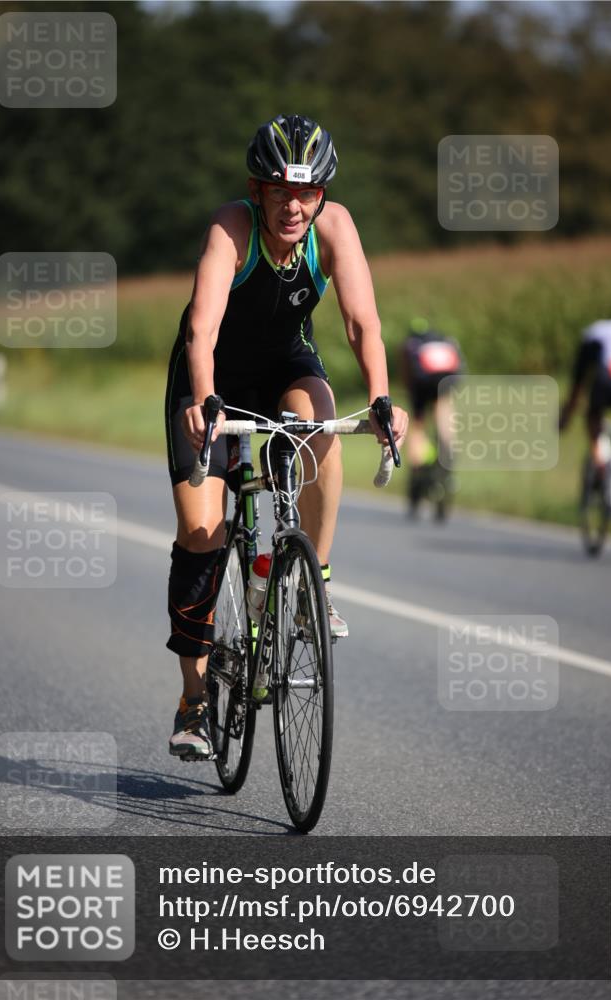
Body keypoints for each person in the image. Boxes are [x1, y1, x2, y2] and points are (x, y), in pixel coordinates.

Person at [164, 114, 408, 758]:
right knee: (201, 533)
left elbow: (362, 324)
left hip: (283, 366)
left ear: (322, 194)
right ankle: (193, 701)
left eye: (306, 192)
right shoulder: (232, 228)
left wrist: (382, 398)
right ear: (258, 189)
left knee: (319, 422)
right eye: (280, 190)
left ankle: (312, 585)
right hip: (209, 377)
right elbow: (203, 327)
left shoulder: (334, 227)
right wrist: (205, 399)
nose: (294, 205)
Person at [398, 318, 463, 511]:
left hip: (421, 382)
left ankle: (417, 466)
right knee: (443, 408)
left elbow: (406, 373)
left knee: (417, 424)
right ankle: (448, 446)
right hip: (447, 379)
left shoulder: (410, 344)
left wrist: (410, 391)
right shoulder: (445, 341)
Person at [559, 319, 611, 473]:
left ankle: (600, 460)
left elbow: (578, 383)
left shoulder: (592, 336)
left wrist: (566, 416)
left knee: (593, 414)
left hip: (608, 380)